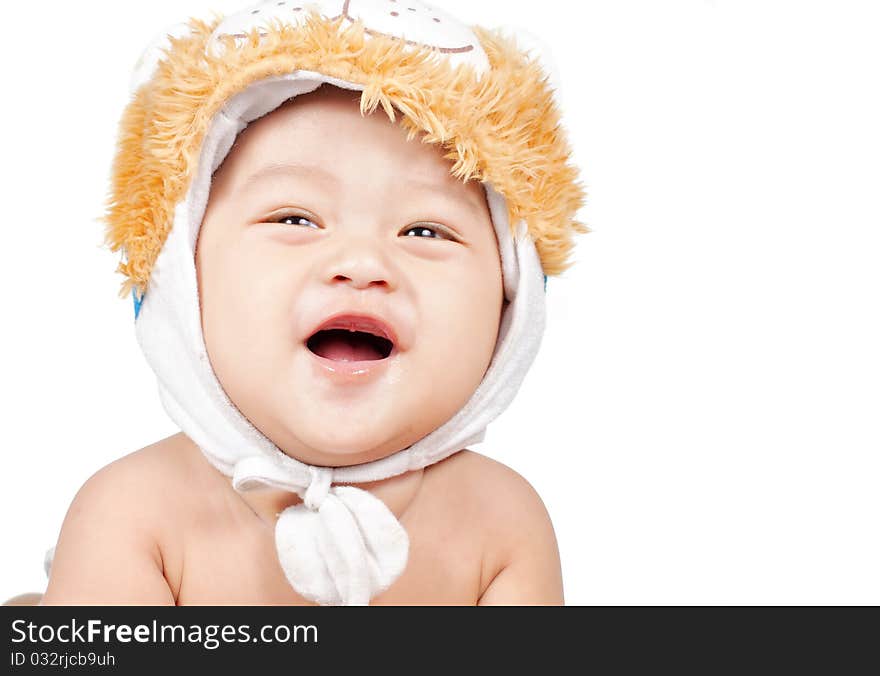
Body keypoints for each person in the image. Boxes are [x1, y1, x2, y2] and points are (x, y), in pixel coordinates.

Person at [29, 0, 588, 606]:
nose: (363, 265)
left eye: (426, 232)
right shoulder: (135, 515)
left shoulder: (500, 526)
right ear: (179, 280)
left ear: (511, 306)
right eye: (295, 218)